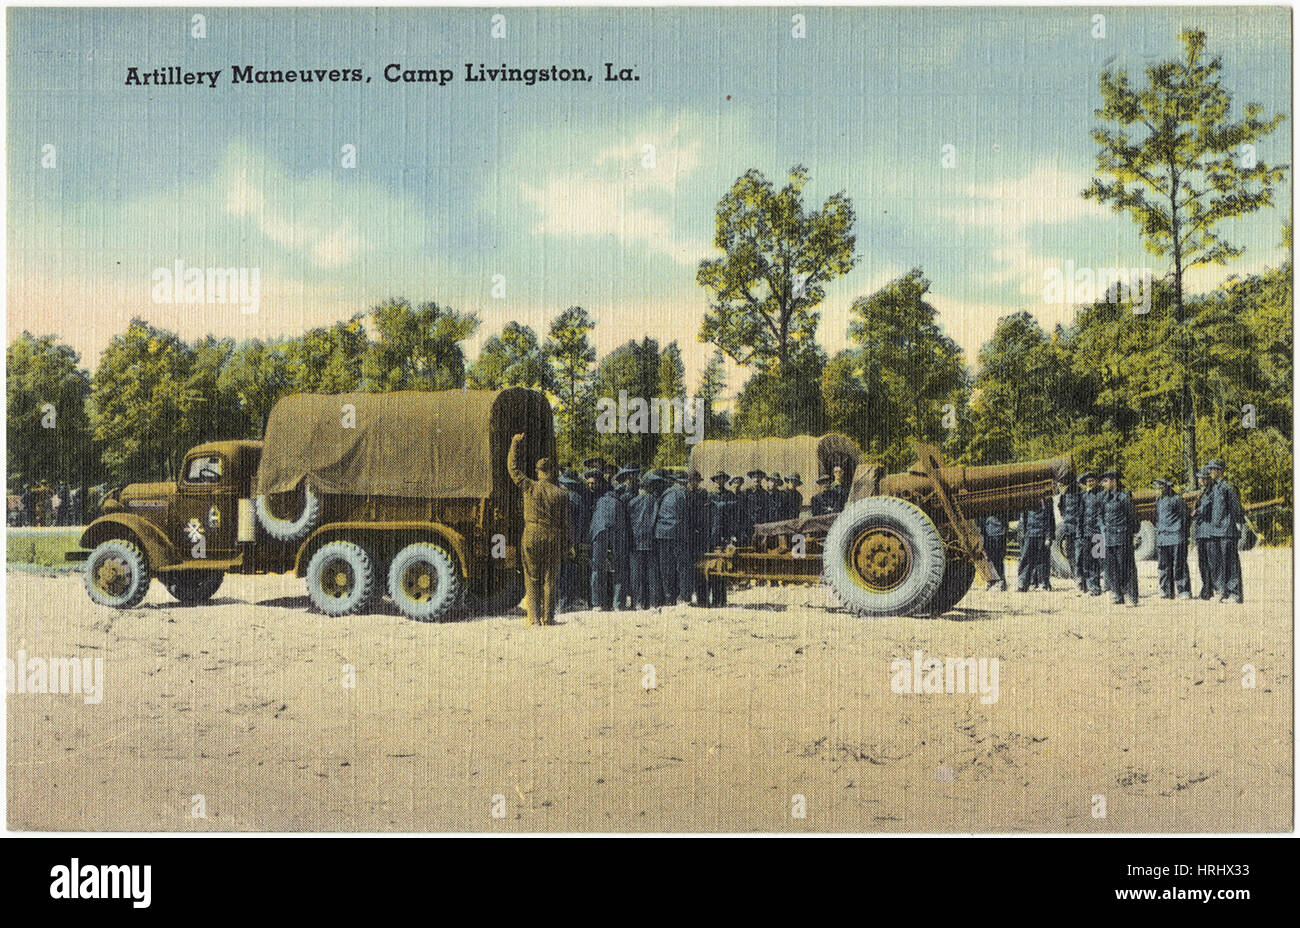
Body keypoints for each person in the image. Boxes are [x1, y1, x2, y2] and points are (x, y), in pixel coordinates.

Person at [507, 433, 570, 626]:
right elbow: (566, 523)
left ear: (538, 471)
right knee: (551, 579)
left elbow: (513, 468)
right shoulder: (562, 493)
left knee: (532, 577)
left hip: (532, 535)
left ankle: (533, 618)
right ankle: (548, 617)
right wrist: (569, 545)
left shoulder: (529, 487)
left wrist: (514, 443)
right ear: (552, 471)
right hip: (553, 536)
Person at [1203, 459, 1245, 603]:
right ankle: (1222, 591)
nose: (1210, 472)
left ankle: (1234, 593)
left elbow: (1236, 508)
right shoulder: (1215, 487)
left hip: (1227, 530)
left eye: (1212, 469)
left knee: (1230, 562)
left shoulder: (1228, 487)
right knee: (1218, 563)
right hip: (1215, 531)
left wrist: (1238, 525)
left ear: (1220, 470)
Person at [588, 469, 629, 610]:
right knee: (619, 567)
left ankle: (597, 604)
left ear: (600, 483)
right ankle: (618, 604)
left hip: (600, 531)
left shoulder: (597, 498)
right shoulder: (616, 497)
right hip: (617, 530)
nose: (590, 486)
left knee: (597, 568)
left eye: (593, 483)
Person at [1100, 470, 1139, 606]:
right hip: (1109, 537)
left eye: (1106, 481)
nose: (1103, 483)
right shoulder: (1104, 498)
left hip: (1123, 536)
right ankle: (1117, 593)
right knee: (1112, 567)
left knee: (1126, 567)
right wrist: (1102, 529)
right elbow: (1100, 516)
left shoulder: (1124, 496)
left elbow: (1132, 516)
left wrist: (1133, 533)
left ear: (1114, 481)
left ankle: (1130, 596)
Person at [654, 474, 691, 606]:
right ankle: (684, 597)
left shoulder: (665, 494)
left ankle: (669, 598)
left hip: (662, 533)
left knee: (666, 567)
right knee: (683, 567)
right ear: (684, 483)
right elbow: (689, 515)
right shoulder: (684, 494)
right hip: (679, 533)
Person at [1152, 478, 1191, 600]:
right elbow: (1157, 518)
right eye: (1157, 487)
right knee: (1163, 566)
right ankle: (1166, 590)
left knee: (1179, 564)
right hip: (1163, 538)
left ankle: (1183, 590)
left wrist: (1181, 533)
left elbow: (1185, 517)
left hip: (1176, 536)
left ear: (1167, 486)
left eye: (1160, 486)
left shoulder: (1177, 499)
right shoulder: (1159, 500)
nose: (1158, 489)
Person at [628, 474, 663, 609]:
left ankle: (638, 603)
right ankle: (653, 603)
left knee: (637, 575)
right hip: (651, 541)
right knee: (652, 574)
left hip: (635, 542)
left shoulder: (632, 502)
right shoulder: (654, 501)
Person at [706, 475, 741, 606]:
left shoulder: (730, 495)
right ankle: (711, 600)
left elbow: (734, 516)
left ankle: (721, 599)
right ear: (714, 481)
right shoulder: (709, 496)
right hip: (712, 535)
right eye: (716, 480)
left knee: (723, 566)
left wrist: (732, 534)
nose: (719, 482)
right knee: (711, 567)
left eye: (721, 479)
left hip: (725, 534)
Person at [557, 473, 589, 612]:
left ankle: (564, 602)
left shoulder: (567, 498)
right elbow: (582, 521)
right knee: (569, 570)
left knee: (565, 571)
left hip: (566, 539)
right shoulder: (579, 499)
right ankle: (566, 601)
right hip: (573, 539)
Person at [685, 471, 713, 606]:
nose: (694, 483)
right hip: (687, 535)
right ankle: (688, 598)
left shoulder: (703, 493)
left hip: (700, 535)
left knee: (701, 568)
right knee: (687, 569)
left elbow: (706, 513)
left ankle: (703, 599)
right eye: (691, 480)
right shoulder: (684, 494)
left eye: (696, 480)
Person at [1016, 496, 1055, 592]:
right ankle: (1023, 584)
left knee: (1043, 560)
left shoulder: (1048, 500)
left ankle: (1043, 583)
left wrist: (1049, 537)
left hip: (1042, 533)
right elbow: (1024, 518)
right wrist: (1024, 534)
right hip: (1030, 533)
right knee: (1026, 559)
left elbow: (1050, 518)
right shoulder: (1027, 498)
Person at [1078, 472, 1104, 596]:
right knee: (1087, 561)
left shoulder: (1101, 495)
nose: (1090, 483)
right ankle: (1091, 587)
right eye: (1088, 481)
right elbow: (1080, 517)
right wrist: (1080, 533)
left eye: (1092, 480)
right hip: (1086, 533)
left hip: (1098, 533)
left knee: (1098, 560)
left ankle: (1098, 586)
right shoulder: (1083, 497)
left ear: (1096, 482)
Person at [1192, 467, 1216, 599]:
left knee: (1211, 561)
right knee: (1202, 562)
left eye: (1202, 478)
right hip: (1201, 532)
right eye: (1199, 478)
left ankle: (1211, 587)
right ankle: (1206, 587)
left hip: (1209, 531)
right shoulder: (1203, 491)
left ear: (1207, 479)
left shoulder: (1211, 491)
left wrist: (1196, 512)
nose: (1200, 480)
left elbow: (1206, 506)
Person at [1056, 476, 1082, 588]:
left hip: (1078, 528)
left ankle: (1081, 577)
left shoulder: (1080, 493)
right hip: (1068, 528)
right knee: (1070, 552)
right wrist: (1066, 518)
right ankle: (1076, 577)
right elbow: (1061, 508)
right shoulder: (1064, 495)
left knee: (1080, 553)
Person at [979, 513, 1008, 591]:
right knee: (987, 558)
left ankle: (1001, 581)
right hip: (986, 530)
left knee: (997, 558)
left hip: (997, 531)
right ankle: (992, 581)